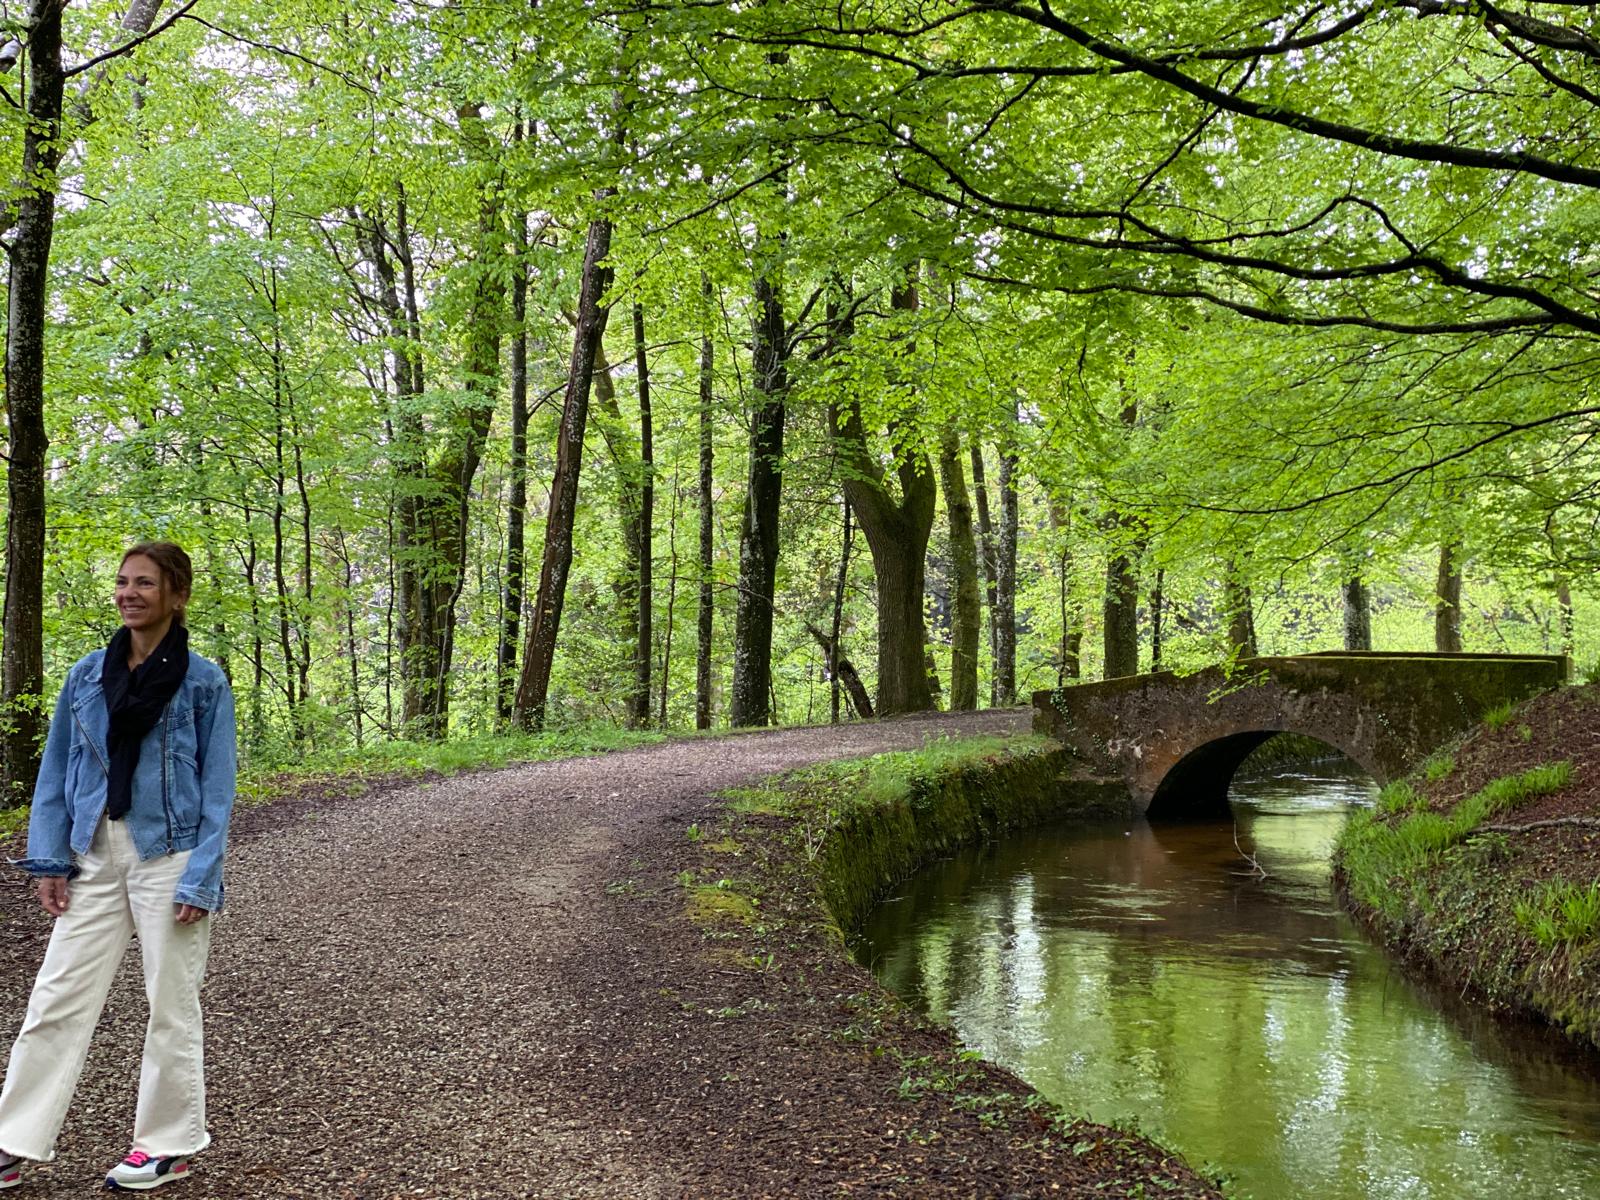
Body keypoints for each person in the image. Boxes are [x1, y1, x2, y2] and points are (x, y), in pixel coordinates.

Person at [0, 542, 236, 1192]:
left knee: (171, 1002)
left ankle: (168, 1145)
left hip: (172, 852)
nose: (129, 593)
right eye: (123, 582)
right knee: (56, 996)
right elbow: (54, 774)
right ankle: (11, 1140)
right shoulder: (84, 677)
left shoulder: (203, 681)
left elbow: (218, 788)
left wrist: (202, 876)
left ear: (176, 595)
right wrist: (50, 856)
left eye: (145, 583)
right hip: (93, 849)